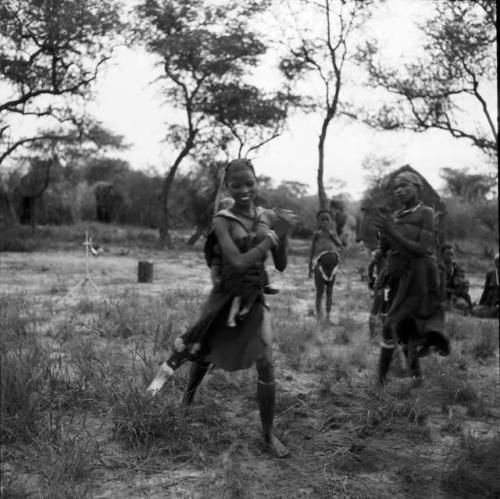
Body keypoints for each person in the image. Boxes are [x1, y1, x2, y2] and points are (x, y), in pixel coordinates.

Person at [148, 158, 296, 458]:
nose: (244, 189)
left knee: (266, 363)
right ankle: (186, 402)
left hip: (254, 299)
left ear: (257, 182)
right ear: (227, 186)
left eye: (249, 183)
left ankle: (268, 434)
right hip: (225, 296)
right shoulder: (223, 220)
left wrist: (283, 234)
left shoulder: (266, 215)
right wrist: (269, 238)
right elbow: (239, 263)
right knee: (203, 351)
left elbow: (280, 265)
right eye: (236, 184)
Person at [372, 171, 450, 385]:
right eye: (396, 187)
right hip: (399, 277)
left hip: (419, 278)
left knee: (390, 325)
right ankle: (417, 378)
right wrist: (382, 242)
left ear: (418, 187)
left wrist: (391, 232)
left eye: (404, 185)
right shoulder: (396, 216)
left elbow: (422, 248)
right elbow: (388, 248)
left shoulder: (425, 212)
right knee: (406, 329)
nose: (399, 190)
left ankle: (379, 383)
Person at [205, 198, 279, 327]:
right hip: (224, 265)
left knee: (256, 283)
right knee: (227, 292)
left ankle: (255, 299)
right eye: (227, 207)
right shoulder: (220, 226)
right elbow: (215, 251)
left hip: (248, 267)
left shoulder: (242, 225)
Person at [308, 210, 342, 322]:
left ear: (330, 221)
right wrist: (310, 268)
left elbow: (340, 244)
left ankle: (328, 316)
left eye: (327, 220)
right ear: (319, 221)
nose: (325, 222)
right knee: (320, 291)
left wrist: (332, 236)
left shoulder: (333, 233)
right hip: (320, 265)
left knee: (330, 290)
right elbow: (312, 251)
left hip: (332, 266)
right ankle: (318, 316)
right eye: (322, 220)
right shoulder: (316, 235)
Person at [440, 244, 472, 313]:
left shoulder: (456, 268)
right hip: (440, 297)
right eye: (448, 254)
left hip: (453, 296)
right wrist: (454, 291)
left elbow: (462, 285)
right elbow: (438, 287)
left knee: (462, 305)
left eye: (452, 254)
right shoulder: (437, 268)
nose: (450, 257)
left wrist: (463, 286)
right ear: (442, 255)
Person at [472, 252, 499, 318]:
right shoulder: (490, 274)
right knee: (474, 310)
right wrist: (480, 303)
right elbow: (486, 291)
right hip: (491, 304)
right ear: (495, 262)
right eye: (498, 261)